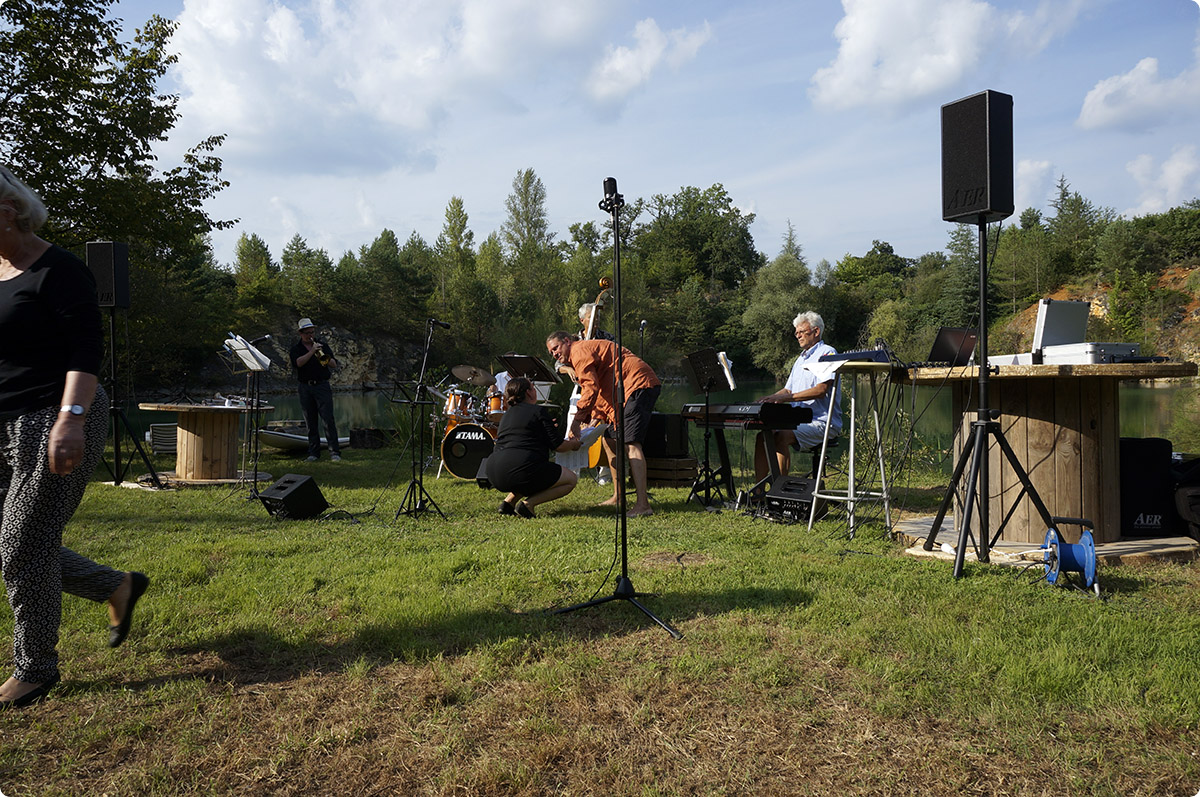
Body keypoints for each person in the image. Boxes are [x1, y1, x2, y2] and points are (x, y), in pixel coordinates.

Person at [0, 164, 148, 709]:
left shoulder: (59, 270)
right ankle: (116, 586)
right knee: (17, 543)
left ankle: (34, 668)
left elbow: (86, 350)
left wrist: (72, 418)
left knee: (21, 544)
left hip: (51, 416)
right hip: (2, 420)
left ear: (8, 211)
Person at [546, 330, 661, 517]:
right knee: (609, 440)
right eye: (551, 352)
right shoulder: (579, 356)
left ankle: (643, 505)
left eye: (556, 348)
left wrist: (576, 421)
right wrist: (592, 421)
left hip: (638, 384)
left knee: (631, 443)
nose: (555, 354)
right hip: (623, 392)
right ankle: (619, 496)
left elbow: (591, 388)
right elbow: (600, 392)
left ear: (567, 341)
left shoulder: (579, 351)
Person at [754, 311, 842, 481]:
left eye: (802, 332)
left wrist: (784, 399)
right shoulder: (800, 359)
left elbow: (821, 390)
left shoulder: (828, 353)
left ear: (816, 332)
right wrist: (768, 398)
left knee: (781, 436)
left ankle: (778, 491)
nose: (798, 336)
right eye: (796, 333)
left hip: (822, 422)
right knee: (763, 436)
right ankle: (758, 493)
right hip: (798, 421)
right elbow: (787, 390)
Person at [486, 377, 581, 518]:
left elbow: (524, 437)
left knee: (526, 473)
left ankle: (508, 503)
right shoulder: (538, 411)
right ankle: (528, 505)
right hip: (521, 469)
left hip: (494, 472)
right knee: (570, 479)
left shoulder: (506, 416)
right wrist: (574, 444)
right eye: (533, 387)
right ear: (529, 393)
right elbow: (559, 446)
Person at [289, 318, 342, 462]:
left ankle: (334, 452)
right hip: (305, 387)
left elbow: (333, 364)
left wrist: (321, 354)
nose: (310, 336)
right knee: (310, 421)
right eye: (307, 333)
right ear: (301, 333)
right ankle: (313, 452)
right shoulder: (296, 349)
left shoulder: (322, 345)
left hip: (322, 385)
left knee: (328, 419)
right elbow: (298, 363)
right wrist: (312, 351)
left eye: (312, 332)